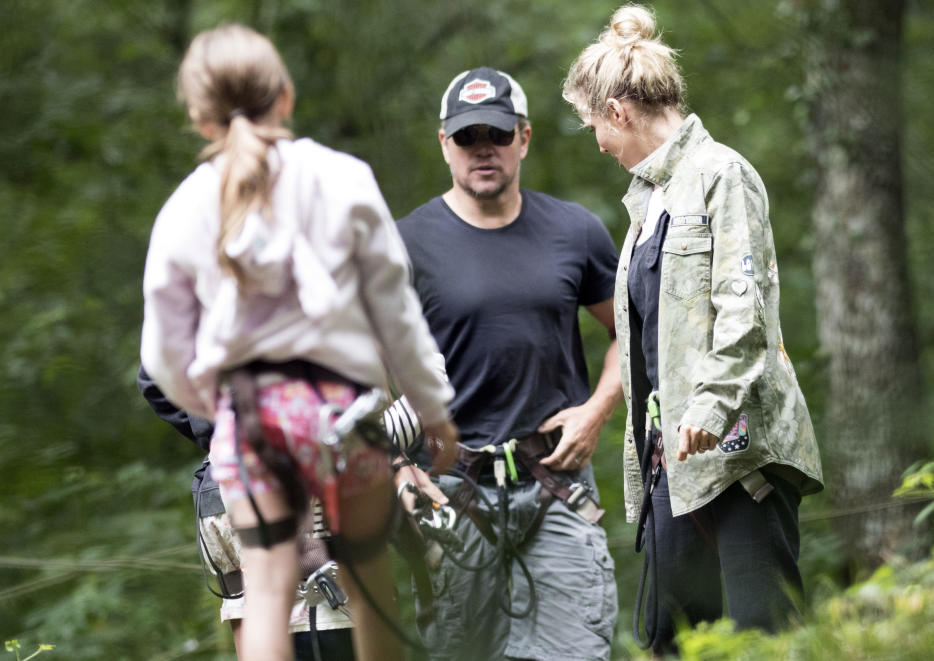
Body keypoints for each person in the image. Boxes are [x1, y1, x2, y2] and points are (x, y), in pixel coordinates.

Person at [139, 24, 458, 661]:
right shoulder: (343, 179)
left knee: (268, 593)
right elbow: (397, 316)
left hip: (251, 415)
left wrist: (214, 403)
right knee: (367, 580)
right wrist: (432, 408)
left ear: (200, 118)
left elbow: (162, 357)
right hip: (344, 407)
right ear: (284, 96)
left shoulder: (185, 207)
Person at [562, 4, 825, 655]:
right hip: (672, 466)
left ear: (619, 111)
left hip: (740, 453)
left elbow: (746, 307)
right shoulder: (649, 202)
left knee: (764, 635)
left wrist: (710, 404)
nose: (597, 142)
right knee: (669, 640)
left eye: (594, 123)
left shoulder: (721, 175)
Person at [394, 66, 622, 661]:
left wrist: (596, 411)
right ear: (444, 144)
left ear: (524, 136)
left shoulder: (576, 231)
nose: (483, 150)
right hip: (451, 492)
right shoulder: (404, 246)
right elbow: (369, 372)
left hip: (557, 486)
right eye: (467, 137)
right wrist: (398, 467)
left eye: (496, 134)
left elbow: (631, 333)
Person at [137, 365, 356, 661]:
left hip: (220, 489)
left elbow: (153, 374)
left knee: (253, 615)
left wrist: (217, 433)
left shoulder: (190, 318)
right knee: (333, 621)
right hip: (291, 473)